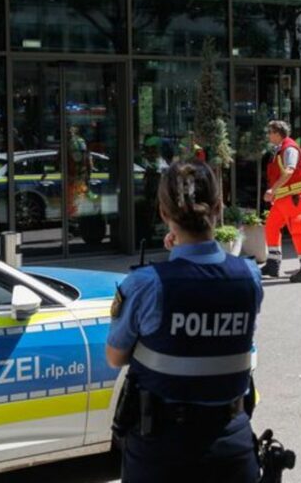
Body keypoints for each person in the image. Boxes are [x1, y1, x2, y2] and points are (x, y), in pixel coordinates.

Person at [106, 162, 262, 483]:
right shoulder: (250, 276)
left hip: (161, 451)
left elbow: (115, 357)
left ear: (164, 214)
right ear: (218, 208)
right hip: (232, 446)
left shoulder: (146, 284)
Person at [261, 120, 301, 283]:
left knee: (297, 231)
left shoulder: (289, 149)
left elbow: (289, 172)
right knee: (271, 226)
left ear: (278, 134)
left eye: (270, 132)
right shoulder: (280, 148)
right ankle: (273, 263)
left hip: (293, 197)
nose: (268, 135)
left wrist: (273, 190)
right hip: (284, 198)